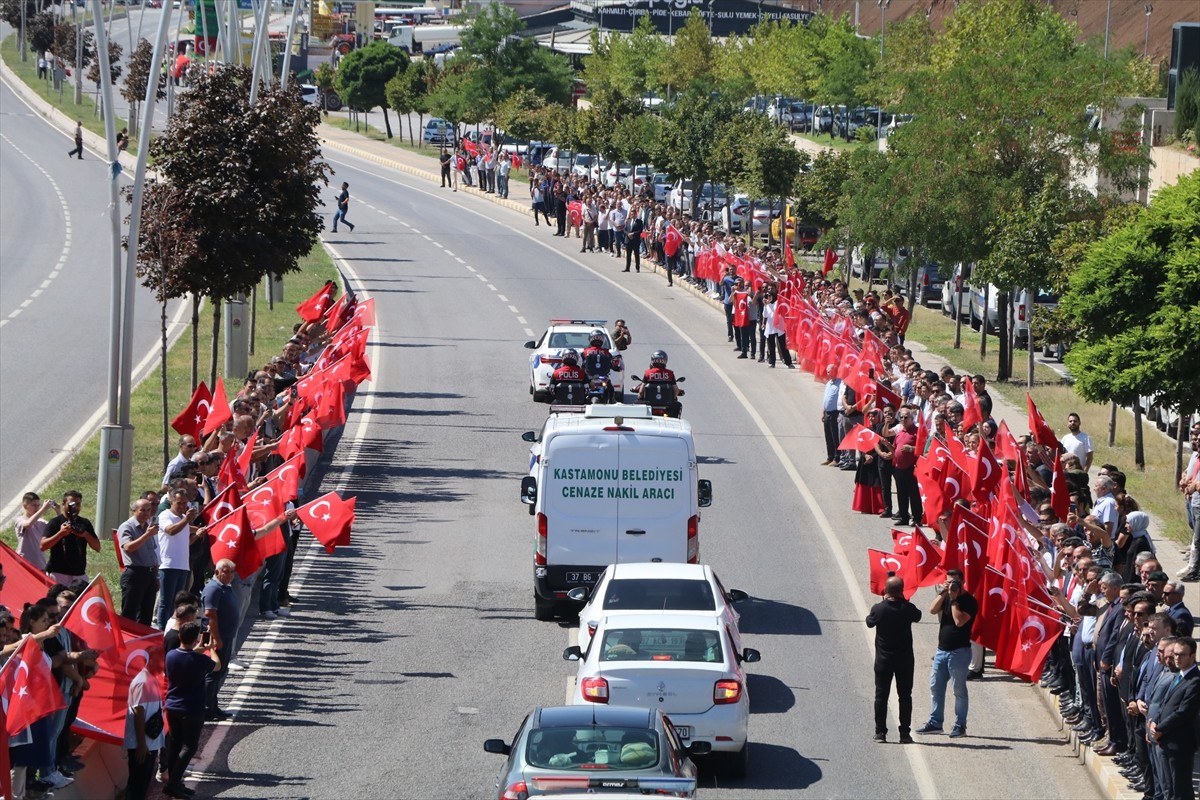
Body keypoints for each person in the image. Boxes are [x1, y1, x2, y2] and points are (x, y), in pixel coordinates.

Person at [917, 569, 978, 738]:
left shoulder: (969, 601)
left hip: (959, 652)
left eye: (955, 582)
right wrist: (944, 593)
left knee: (958, 690)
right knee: (936, 687)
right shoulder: (946, 596)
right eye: (949, 581)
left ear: (962, 582)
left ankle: (960, 726)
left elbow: (959, 621)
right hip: (942, 651)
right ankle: (935, 722)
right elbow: (932, 609)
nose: (952, 585)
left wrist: (953, 600)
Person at [866, 576, 922, 743]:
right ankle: (905, 733)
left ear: (885, 590)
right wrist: (904, 600)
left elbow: (869, 622)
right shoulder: (908, 608)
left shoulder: (879, 609)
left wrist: (884, 602)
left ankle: (880, 732)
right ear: (901, 590)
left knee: (881, 696)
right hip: (904, 661)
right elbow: (918, 616)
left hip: (884, 661)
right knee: (905, 696)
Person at [163, 621, 214, 798]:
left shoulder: (171, 655)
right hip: (192, 709)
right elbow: (217, 665)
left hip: (172, 706)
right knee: (189, 747)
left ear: (180, 637)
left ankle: (173, 780)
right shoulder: (200, 660)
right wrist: (210, 648)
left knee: (175, 745)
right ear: (197, 638)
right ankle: (173, 783)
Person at [1149, 637, 1200, 800]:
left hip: (1180, 743)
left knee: (1180, 790)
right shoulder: (1179, 675)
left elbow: (1184, 711)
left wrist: (1160, 728)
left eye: (1182, 655)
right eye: (1175, 654)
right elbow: (1165, 702)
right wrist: (1155, 720)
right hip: (1166, 739)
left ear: (1193, 656)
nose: (1177, 658)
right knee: (1168, 788)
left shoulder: (1195, 681)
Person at [158, 487, 203, 630]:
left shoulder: (183, 519)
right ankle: (161, 629)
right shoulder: (165, 516)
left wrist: (197, 534)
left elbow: (185, 541)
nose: (183, 506)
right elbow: (171, 531)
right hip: (168, 565)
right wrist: (187, 521)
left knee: (179, 602)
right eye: (179, 503)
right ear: (171, 501)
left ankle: (174, 627)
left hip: (182, 565)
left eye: (185, 503)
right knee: (167, 601)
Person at [125, 646, 166, 800]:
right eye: (160, 660)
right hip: (142, 744)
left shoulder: (152, 679)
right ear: (150, 660)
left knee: (142, 785)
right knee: (137, 784)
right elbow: (138, 713)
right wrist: (141, 744)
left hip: (149, 743)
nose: (163, 664)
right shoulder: (142, 682)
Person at [202, 559, 238, 721]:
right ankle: (207, 708)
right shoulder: (213, 589)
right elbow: (210, 615)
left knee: (220, 671)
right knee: (213, 672)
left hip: (226, 635)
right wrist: (216, 639)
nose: (230, 575)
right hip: (218, 637)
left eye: (232, 572)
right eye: (226, 571)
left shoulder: (224, 588)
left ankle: (213, 706)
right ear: (217, 572)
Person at [41, 490, 101, 585]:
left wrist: (85, 534)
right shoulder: (55, 522)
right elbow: (43, 546)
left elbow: (97, 547)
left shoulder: (84, 523)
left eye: (78, 504)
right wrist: (60, 534)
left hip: (79, 574)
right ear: (64, 504)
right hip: (58, 573)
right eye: (71, 504)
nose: (75, 507)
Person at [118, 498, 160, 626]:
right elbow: (128, 547)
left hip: (150, 574)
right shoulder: (127, 527)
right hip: (135, 574)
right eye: (142, 510)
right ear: (134, 510)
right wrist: (147, 535)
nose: (146, 513)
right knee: (130, 614)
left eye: (149, 510)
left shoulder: (148, 527)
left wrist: (156, 576)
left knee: (146, 615)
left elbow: (152, 553)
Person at [636, 350, 683, 418]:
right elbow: (676, 390)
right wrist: (673, 398)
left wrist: (639, 398)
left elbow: (641, 391)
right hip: (667, 406)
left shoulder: (648, 373)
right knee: (677, 405)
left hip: (649, 405)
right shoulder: (670, 373)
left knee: (636, 406)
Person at [15, 491, 55, 572]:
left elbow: (56, 528)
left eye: (38, 505)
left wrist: (58, 511)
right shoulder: (19, 520)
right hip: (24, 564)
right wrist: (43, 509)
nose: (37, 508)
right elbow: (28, 524)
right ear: (25, 505)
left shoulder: (41, 522)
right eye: (34, 505)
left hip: (40, 564)